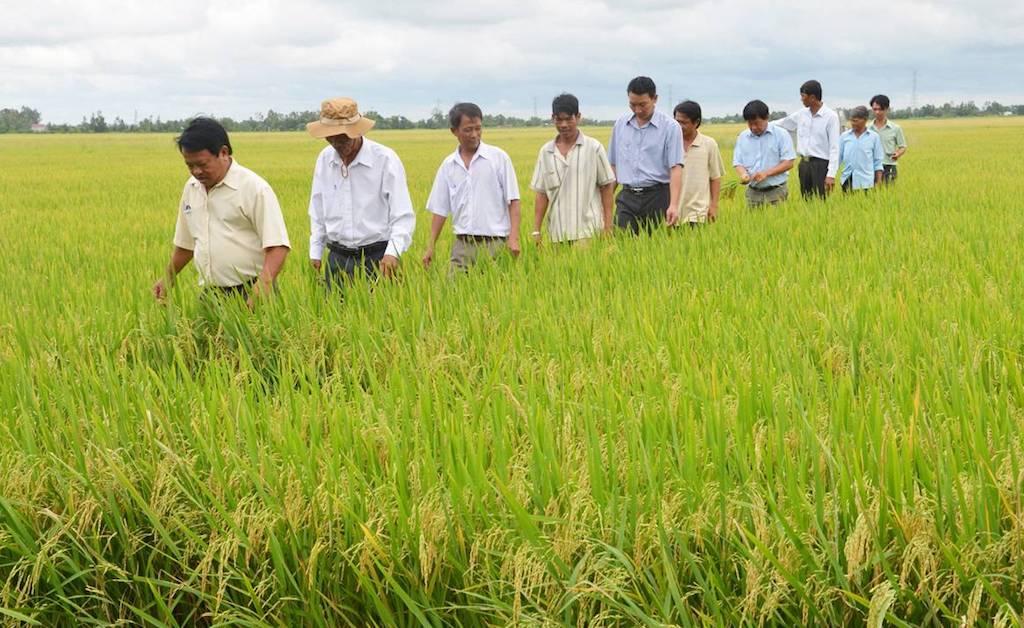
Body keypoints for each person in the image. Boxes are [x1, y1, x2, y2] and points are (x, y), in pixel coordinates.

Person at [152, 117, 290, 306]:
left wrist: (262, 288)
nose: (196, 171)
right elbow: (186, 244)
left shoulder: (254, 188)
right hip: (211, 293)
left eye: (202, 164)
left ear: (223, 153)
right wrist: (168, 277)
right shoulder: (192, 188)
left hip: (252, 289)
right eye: (190, 165)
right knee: (201, 327)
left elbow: (277, 246)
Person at [306, 97, 415, 288]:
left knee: (380, 307)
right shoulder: (324, 160)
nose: (337, 143)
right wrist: (315, 252)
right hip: (337, 259)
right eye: (331, 138)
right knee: (334, 307)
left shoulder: (385, 159)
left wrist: (393, 253)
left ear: (357, 131)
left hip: (378, 258)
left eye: (343, 137)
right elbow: (318, 211)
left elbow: (402, 214)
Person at [423, 103, 521, 272]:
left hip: (495, 244)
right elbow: (440, 209)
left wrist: (513, 238)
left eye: (478, 128)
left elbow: (513, 201)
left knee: (496, 286)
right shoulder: (449, 165)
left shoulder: (498, 158)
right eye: (468, 130)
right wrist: (431, 246)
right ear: (454, 131)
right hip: (462, 245)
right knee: (454, 285)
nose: (474, 134)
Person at [530, 93, 615, 245]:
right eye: (559, 119)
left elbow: (606, 187)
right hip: (556, 234)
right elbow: (542, 194)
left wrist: (608, 226)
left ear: (578, 117)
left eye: (569, 119)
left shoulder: (593, 148)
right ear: (552, 118)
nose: (564, 125)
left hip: (588, 231)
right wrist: (536, 230)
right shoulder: (546, 152)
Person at [606, 76, 684, 233]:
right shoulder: (621, 125)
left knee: (656, 244)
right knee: (622, 241)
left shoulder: (670, 127)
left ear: (655, 99)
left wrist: (674, 205)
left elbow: (676, 168)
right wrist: (605, 204)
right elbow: (613, 166)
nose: (637, 110)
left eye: (642, 105)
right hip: (627, 196)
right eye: (632, 105)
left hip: (657, 196)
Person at [774, 80, 841, 198]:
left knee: (821, 201)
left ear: (812, 98)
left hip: (821, 166)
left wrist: (831, 175)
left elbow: (834, 148)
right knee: (806, 200)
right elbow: (783, 123)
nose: (801, 99)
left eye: (803, 96)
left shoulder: (831, 117)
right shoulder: (801, 114)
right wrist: (763, 125)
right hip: (804, 165)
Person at [732, 100, 796, 208]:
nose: (753, 127)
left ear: (766, 118)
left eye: (757, 123)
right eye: (750, 123)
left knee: (779, 219)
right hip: (752, 194)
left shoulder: (781, 134)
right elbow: (738, 162)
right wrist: (743, 174)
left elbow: (789, 162)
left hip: (776, 192)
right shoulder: (743, 137)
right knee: (752, 219)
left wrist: (766, 174)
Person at [673, 100, 724, 225]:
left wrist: (713, 205)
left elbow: (715, 177)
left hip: (699, 212)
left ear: (696, 122)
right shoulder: (670, 144)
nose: (679, 126)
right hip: (673, 211)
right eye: (677, 122)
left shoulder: (709, 144)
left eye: (684, 122)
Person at [838, 106, 884, 192]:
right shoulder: (844, 137)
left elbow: (878, 162)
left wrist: (878, 181)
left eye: (855, 121)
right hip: (847, 180)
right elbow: (838, 158)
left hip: (867, 182)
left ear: (865, 120)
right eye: (851, 120)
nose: (853, 123)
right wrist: (830, 176)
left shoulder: (874, 137)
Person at [869, 94, 908, 184]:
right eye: (875, 109)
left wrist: (898, 154)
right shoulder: (867, 128)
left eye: (880, 109)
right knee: (871, 192)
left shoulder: (895, 128)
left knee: (888, 191)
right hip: (870, 166)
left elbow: (903, 146)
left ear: (887, 109)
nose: (877, 112)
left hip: (889, 166)